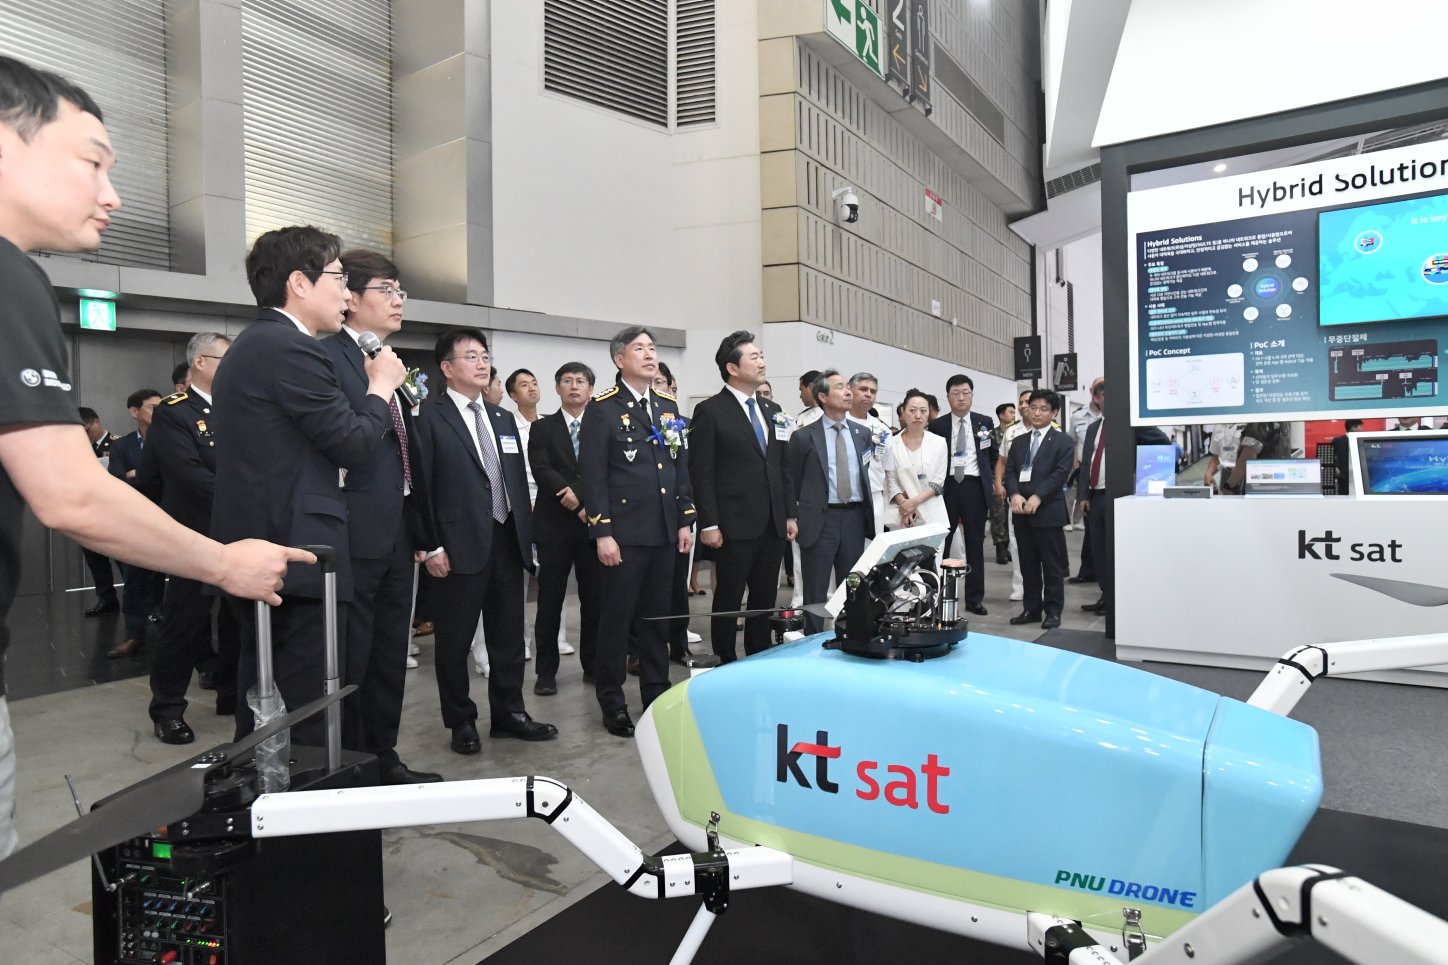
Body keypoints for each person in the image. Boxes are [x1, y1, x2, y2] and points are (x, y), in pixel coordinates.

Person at [0, 54, 300, 860]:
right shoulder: (6, 275)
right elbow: (70, 493)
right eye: (92, 162)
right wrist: (224, 562)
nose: (113, 195)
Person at [211, 224, 408, 746]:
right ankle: (298, 799)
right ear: (300, 283)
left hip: (271, 546)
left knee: (269, 701)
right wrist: (381, 388)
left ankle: (269, 790)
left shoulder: (259, 344)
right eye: (339, 279)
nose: (346, 294)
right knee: (304, 716)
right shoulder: (291, 349)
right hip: (295, 552)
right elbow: (354, 445)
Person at [320, 249, 441, 785]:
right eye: (386, 291)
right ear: (350, 297)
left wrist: (420, 528)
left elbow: (407, 451)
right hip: (353, 527)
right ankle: (348, 764)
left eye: (401, 292)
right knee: (354, 654)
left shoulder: (388, 360)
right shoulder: (328, 358)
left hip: (398, 527)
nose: (398, 301)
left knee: (391, 651)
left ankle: (383, 757)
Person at [414, 329, 557, 753]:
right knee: (454, 642)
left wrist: (528, 539)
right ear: (446, 368)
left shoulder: (501, 418)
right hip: (456, 545)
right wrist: (431, 545)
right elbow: (421, 488)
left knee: (508, 637)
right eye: (471, 356)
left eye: (484, 356)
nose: (482, 364)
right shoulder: (428, 417)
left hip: (506, 539)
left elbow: (515, 482)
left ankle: (510, 714)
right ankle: (461, 720)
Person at [576, 326, 695, 738]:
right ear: (619, 359)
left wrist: (685, 519)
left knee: (656, 621)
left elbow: (679, 466)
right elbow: (593, 476)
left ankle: (656, 697)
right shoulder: (602, 408)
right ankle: (612, 703)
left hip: (663, 532)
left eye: (652, 348)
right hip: (624, 536)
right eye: (639, 348)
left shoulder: (666, 405)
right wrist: (602, 533)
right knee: (617, 621)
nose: (649, 354)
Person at [140, 332, 242, 743]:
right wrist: (247, 495)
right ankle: (167, 709)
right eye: (225, 359)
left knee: (238, 617)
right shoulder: (175, 412)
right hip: (193, 532)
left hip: (237, 531)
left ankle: (232, 693)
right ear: (200, 362)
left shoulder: (240, 406)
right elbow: (187, 474)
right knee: (186, 621)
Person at [690, 332, 796, 664]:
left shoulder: (772, 409)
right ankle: (725, 657)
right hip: (733, 523)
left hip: (772, 522)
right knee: (729, 596)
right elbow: (701, 472)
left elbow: (781, 465)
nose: (762, 362)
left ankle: (758, 654)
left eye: (761, 356)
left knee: (765, 596)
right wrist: (709, 523)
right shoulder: (710, 411)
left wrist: (789, 513)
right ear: (732, 368)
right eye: (754, 357)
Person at [528, 362, 602, 694]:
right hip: (553, 527)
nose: (574, 386)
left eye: (581, 381)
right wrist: (569, 495)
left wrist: (581, 494)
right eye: (567, 381)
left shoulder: (602, 427)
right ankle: (545, 672)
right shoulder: (542, 428)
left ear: (590, 389)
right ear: (557, 388)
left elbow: (605, 468)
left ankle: (593, 665)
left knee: (594, 600)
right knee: (550, 602)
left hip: (592, 526)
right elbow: (540, 467)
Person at [786, 370, 875, 636]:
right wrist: (795, 515)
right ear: (823, 397)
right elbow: (792, 481)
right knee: (815, 589)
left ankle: (848, 637)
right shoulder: (804, 436)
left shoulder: (862, 433)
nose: (848, 392)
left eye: (848, 386)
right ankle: (813, 639)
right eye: (839, 387)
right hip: (820, 519)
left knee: (853, 586)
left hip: (854, 518)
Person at [1076, 382, 1169, 616]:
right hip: (1095, 497)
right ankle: (1106, 595)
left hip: (1119, 495)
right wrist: (1083, 494)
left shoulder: (1132, 425)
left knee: (1116, 549)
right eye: (1107, 395)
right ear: (1097, 399)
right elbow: (1086, 463)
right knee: (1098, 550)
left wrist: (1140, 467)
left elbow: (1163, 442)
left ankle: (1119, 598)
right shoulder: (1093, 427)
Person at [1004, 390, 1074, 630]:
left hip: (1048, 512)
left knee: (1051, 565)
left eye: (1043, 409)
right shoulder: (1019, 441)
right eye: (1033, 407)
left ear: (1054, 413)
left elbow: (1060, 474)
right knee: (1028, 564)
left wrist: (1038, 496)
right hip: (1021, 512)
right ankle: (1031, 609)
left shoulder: (1063, 441)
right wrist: (1014, 494)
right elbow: (1010, 471)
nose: (1036, 413)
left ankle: (1053, 611)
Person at [105, 387, 165, 658]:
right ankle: (134, 635)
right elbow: (117, 480)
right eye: (153, 407)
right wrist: (138, 476)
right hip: (136, 520)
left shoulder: (171, 438)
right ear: (134, 411)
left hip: (169, 516)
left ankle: (164, 620)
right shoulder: (122, 445)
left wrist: (136, 474)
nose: (159, 412)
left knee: (174, 577)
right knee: (135, 578)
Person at [928, 375, 995, 616]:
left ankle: (975, 599)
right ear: (948, 397)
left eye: (966, 393)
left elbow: (992, 455)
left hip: (974, 487)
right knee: (941, 543)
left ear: (972, 395)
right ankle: (937, 595)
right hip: (946, 488)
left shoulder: (984, 422)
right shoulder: (938, 425)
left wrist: (990, 480)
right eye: (956, 393)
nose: (961, 397)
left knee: (975, 543)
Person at [651, 362, 704, 663]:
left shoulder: (682, 423)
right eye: (652, 382)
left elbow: (688, 470)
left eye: (661, 382)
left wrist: (688, 514)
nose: (656, 387)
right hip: (643, 517)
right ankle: (641, 650)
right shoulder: (632, 420)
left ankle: (679, 643)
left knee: (677, 585)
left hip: (677, 514)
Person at [78, 406, 121, 615]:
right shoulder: (77, 448)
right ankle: (106, 599)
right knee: (95, 559)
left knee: (125, 559)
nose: (84, 436)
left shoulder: (118, 443)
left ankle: (139, 602)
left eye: (86, 430)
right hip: (89, 512)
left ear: (96, 422)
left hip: (116, 511)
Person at [885, 389, 948, 530]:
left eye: (923, 411)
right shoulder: (891, 443)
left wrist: (913, 503)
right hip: (902, 513)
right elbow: (890, 479)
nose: (918, 416)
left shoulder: (939, 442)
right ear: (903, 412)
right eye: (912, 410)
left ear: (928, 413)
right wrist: (905, 505)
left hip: (932, 512)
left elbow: (938, 481)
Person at [1067, 377, 1104, 584]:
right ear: (1092, 393)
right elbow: (1072, 443)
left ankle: (1102, 574)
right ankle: (1088, 570)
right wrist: (1075, 468)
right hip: (1085, 472)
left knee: (1099, 529)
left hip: (1107, 476)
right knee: (1091, 527)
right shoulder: (1078, 417)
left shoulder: (1117, 415)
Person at [847, 372, 892, 539]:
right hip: (845, 500)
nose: (868, 394)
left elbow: (888, 467)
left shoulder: (883, 430)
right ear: (850, 390)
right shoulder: (838, 423)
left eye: (873, 391)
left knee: (872, 548)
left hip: (874, 497)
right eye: (863, 389)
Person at [988, 401, 1016, 563]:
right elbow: (988, 459)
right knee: (998, 514)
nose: (1014, 415)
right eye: (1010, 412)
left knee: (1009, 515)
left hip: (1012, 479)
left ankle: (1007, 546)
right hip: (996, 479)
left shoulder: (1015, 433)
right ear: (1001, 415)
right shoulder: (991, 435)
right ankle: (1000, 547)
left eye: (1014, 412)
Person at [1331, 419, 1363, 495]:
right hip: (1344, 477)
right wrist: (1335, 467)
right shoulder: (1338, 441)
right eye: (1360, 427)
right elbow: (1331, 456)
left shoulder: (1361, 441)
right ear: (1353, 428)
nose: (1362, 429)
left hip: (1360, 477)